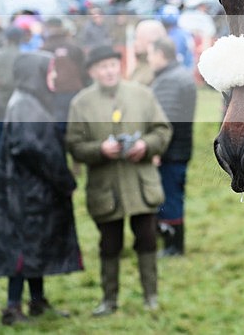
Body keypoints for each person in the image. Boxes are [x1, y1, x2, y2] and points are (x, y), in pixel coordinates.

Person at [65, 45, 172, 315]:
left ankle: (151, 297)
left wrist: (145, 146)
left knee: (147, 240)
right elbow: (74, 145)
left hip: (141, 185)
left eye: (112, 64)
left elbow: (162, 130)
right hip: (105, 188)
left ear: (119, 66)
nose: (109, 70)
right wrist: (99, 150)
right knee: (109, 245)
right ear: (92, 72)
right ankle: (108, 300)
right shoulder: (80, 103)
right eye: (102, 67)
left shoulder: (142, 95)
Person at [0, 51, 82, 325]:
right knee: (22, 250)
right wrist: (65, 182)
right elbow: (40, 151)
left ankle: (37, 301)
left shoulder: (29, 102)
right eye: (50, 71)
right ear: (36, 75)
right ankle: (12, 307)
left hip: (30, 193)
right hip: (26, 195)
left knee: (34, 247)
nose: (55, 76)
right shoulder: (26, 106)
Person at [148, 37, 196, 256]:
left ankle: (173, 247)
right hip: (179, 150)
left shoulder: (170, 80)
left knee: (170, 198)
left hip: (171, 152)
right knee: (173, 196)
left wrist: (157, 150)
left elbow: (166, 120)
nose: (148, 60)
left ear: (160, 54)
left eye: (150, 55)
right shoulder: (177, 76)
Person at [129, 19, 168, 85]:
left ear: (151, 41)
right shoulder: (142, 61)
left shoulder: (158, 69)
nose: (135, 43)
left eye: (138, 38)